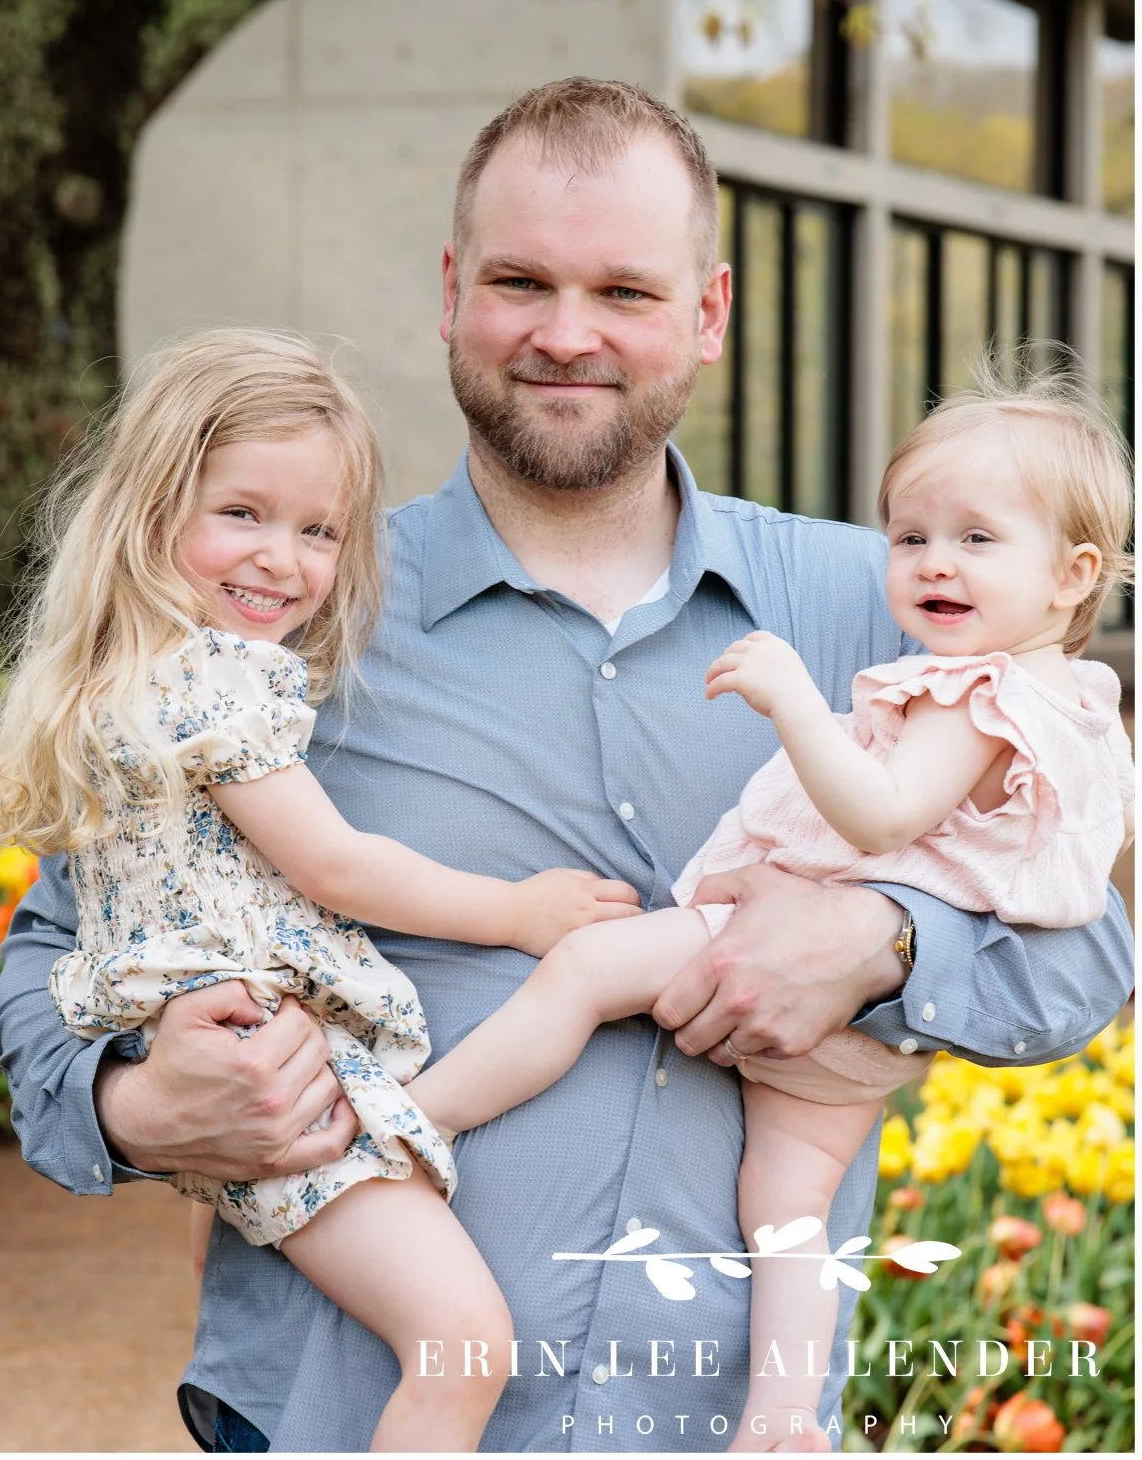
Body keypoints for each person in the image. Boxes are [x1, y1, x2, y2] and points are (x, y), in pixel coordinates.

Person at [0, 77, 1135, 1453]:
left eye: (626, 294)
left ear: (708, 314)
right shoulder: (289, 612)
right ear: (454, 290)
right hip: (346, 1412)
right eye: (522, 281)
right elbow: (53, 971)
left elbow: (1088, 949)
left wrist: (884, 940)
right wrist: (139, 1099)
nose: (566, 334)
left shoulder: (889, 606)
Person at [395, 371, 1132, 1450]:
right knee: (787, 1215)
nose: (934, 562)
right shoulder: (1076, 711)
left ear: (1071, 578)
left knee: (586, 971)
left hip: (798, 934)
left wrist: (793, 698)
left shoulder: (975, 698)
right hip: (851, 1049)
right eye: (912, 534)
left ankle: (415, 1124)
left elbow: (882, 817)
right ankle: (781, 1420)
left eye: (978, 539)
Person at [0, 328, 638, 1448]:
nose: (283, 558)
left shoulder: (124, 676)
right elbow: (335, 866)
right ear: (151, 509)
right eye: (243, 514)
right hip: (285, 1065)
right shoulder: (215, 680)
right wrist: (518, 912)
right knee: (464, 1346)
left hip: (229, 1048)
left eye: (318, 530)